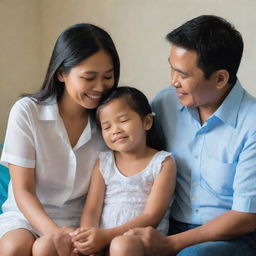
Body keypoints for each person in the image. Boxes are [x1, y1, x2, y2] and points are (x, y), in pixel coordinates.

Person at [110, 15, 256, 256]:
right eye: (172, 68)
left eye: (183, 75)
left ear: (220, 78)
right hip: (169, 224)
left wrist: (172, 244)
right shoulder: (165, 103)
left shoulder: (251, 123)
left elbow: (246, 216)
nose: (173, 81)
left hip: (232, 236)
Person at [0, 23, 120, 256]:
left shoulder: (109, 121)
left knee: (45, 249)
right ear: (61, 73)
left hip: (80, 222)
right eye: (89, 77)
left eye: (108, 76)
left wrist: (82, 235)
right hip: (26, 217)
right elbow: (23, 190)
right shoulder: (27, 112)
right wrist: (54, 233)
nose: (100, 87)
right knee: (14, 247)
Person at [54, 86, 176, 256]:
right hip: (102, 241)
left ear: (147, 122)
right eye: (107, 126)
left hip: (140, 242)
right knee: (49, 245)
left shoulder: (162, 162)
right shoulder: (104, 162)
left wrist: (105, 237)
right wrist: (88, 239)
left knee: (121, 245)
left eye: (123, 120)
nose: (115, 130)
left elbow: (152, 216)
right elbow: (91, 210)